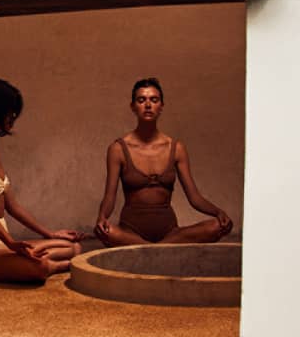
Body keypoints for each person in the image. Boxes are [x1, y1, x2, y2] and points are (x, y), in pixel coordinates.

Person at [0, 78, 84, 283]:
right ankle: (60, 265)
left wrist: (50, 233)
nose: (12, 118)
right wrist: (13, 244)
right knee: (38, 268)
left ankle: (48, 261)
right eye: (9, 112)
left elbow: (12, 206)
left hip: (1, 243)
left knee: (72, 247)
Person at [94, 77, 233, 246]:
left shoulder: (176, 148)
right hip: (130, 231)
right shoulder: (118, 149)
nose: (147, 105)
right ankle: (161, 250)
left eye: (154, 100)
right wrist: (102, 217)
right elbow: (110, 197)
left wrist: (218, 212)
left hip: (170, 232)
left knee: (218, 226)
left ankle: (149, 249)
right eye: (141, 100)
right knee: (105, 232)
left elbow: (194, 197)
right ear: (133, 107)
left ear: (161, 106)